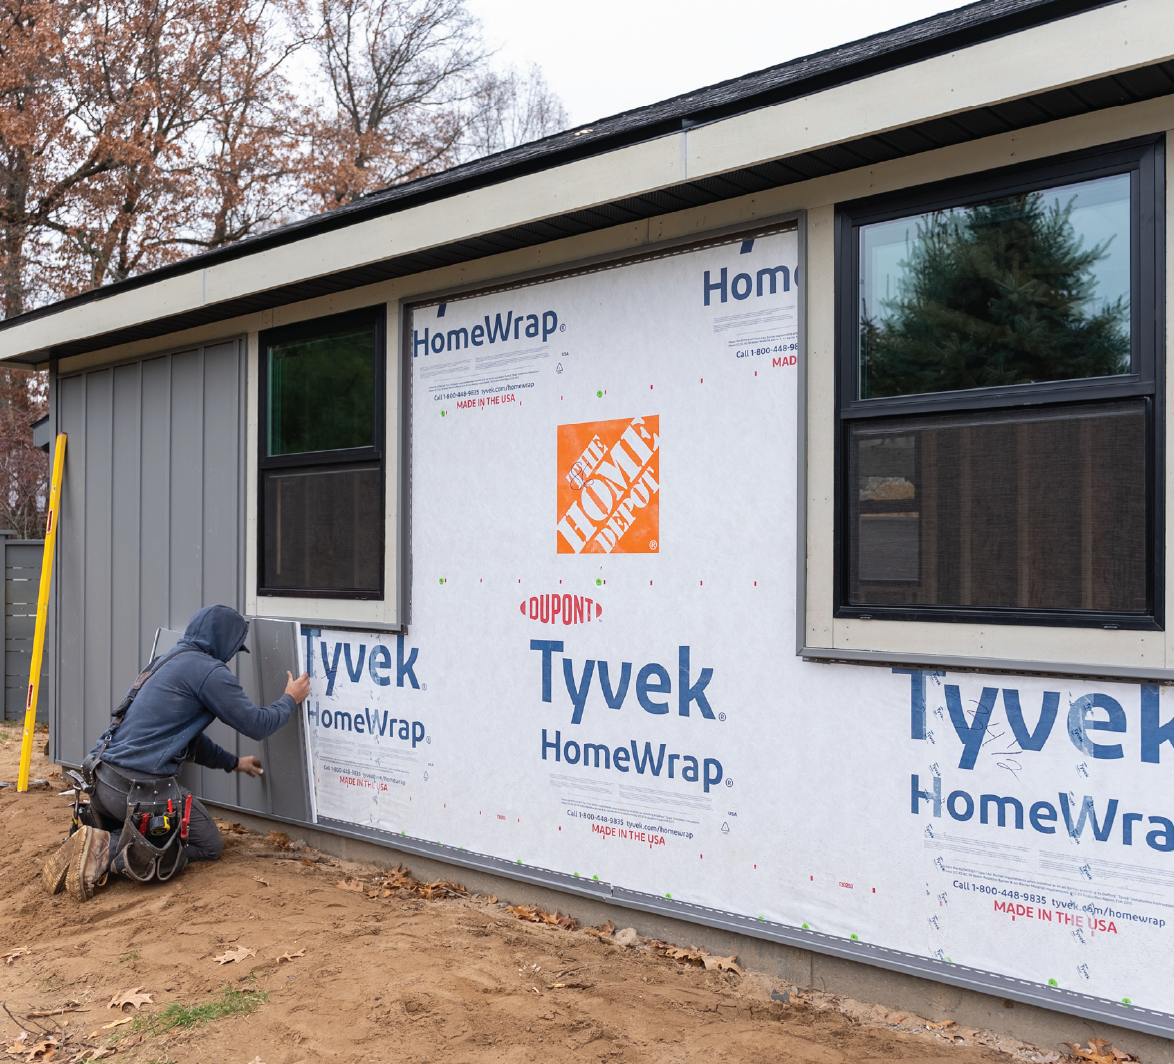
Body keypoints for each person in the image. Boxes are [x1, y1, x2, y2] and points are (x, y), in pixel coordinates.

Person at [42, 604, 310, 901]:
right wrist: (290, 699)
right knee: (209, 846)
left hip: (101, 782)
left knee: (153, 834)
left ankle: (95, 843)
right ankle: (104, 848)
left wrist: (233, 763)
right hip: (137, 792)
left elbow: (188, 741)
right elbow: (258, 725)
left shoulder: (166, 660)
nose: (232, 655)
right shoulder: (209, 671)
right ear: (224, 642)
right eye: (234, 648)